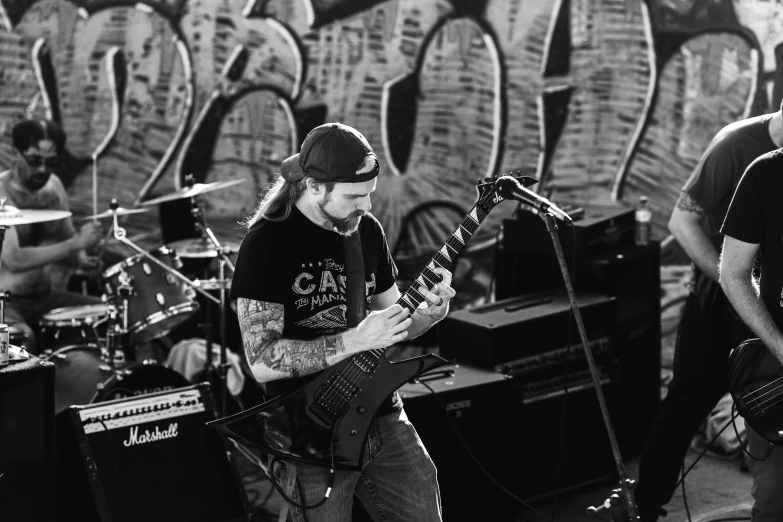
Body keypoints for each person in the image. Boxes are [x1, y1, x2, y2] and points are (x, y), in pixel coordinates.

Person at [230, 123, 453, 521]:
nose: (366, 206)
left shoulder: (365, 231)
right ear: (314, 187)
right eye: (354, 196)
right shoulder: (266, 244)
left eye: (369, 193)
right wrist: (353, 340)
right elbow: (262, 360)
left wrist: (429, 315)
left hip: (381, 413)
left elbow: (394, 324)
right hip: (311, 433)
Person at [633, 104, 783, 520]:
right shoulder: (737, 146)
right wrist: (733, 285)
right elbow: (682, 223)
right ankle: (644, 504)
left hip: (768, 306)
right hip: (718, 304)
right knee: (685, 404)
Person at [0, 119, 103, 353]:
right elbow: (15, 261)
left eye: (51, 162)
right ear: (16, 153)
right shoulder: (0, 194)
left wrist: (83, 260)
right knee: (20, 340)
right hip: (7, 302)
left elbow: (69, 244)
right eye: (35, 161)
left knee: (108, 316)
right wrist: (75, 244)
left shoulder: (54, 187)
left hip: (45, 297)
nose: (43, 170)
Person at [720, 147, 783, 522]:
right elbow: (733, 273)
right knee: (774, 501)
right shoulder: (765, 174)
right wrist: (778, 345)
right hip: (775, 372)